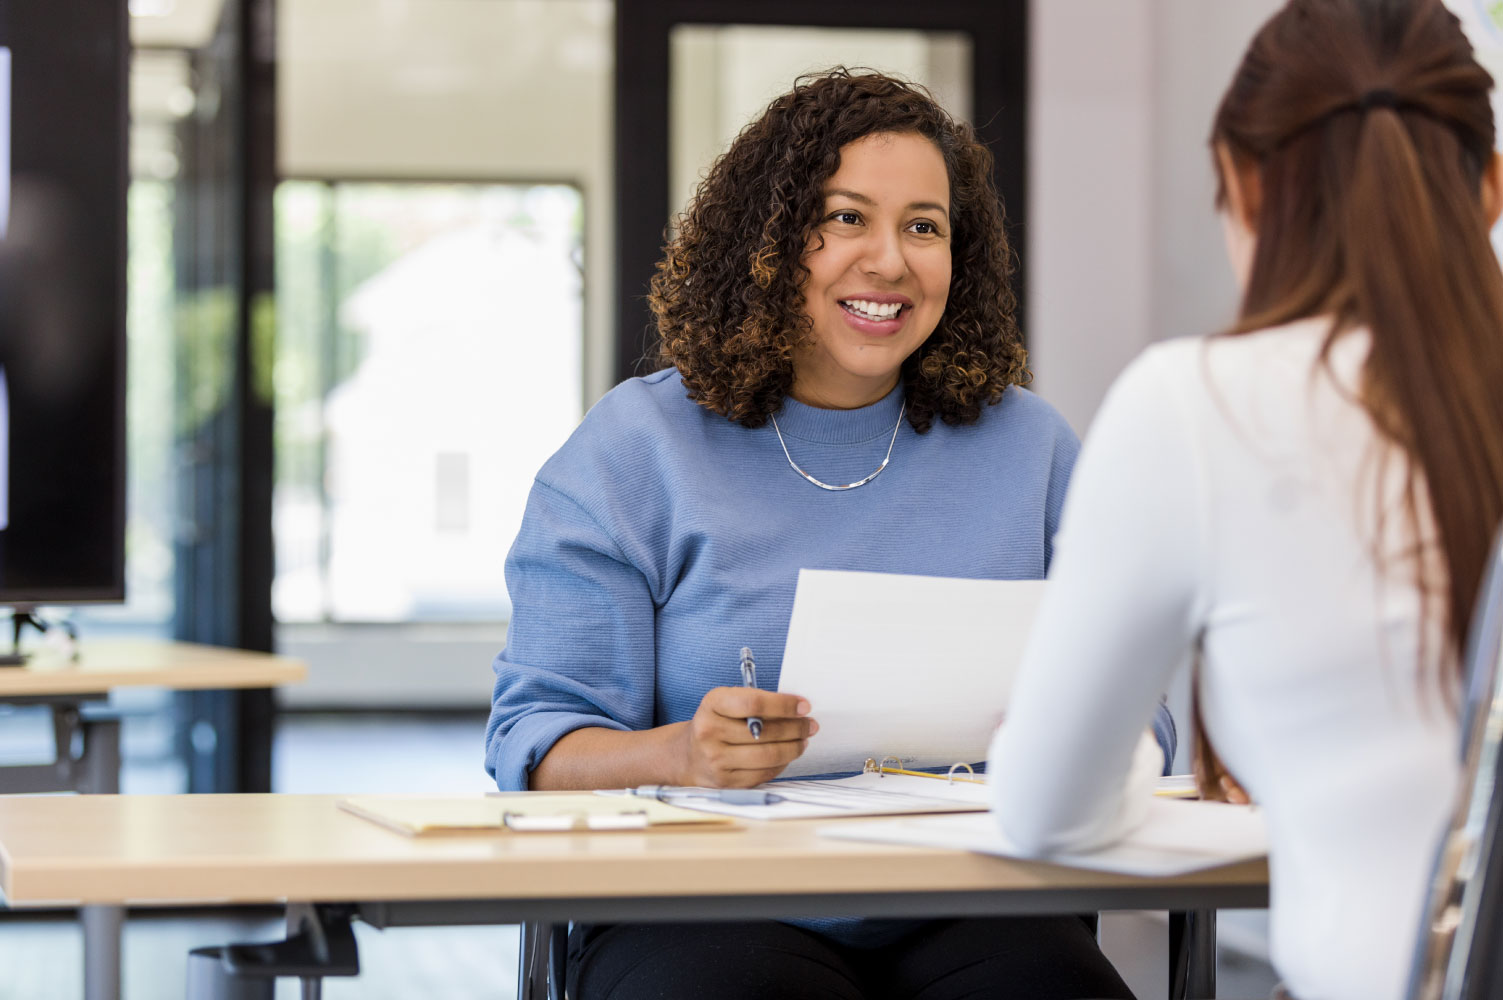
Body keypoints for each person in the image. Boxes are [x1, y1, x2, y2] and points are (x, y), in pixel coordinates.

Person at [486, 69, 1156, 1000]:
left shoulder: (1031, 449)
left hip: (978, 900)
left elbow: (1139, 714)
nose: (889, 261)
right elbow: (538, 740)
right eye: (846, 218)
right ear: (768, 241)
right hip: (705, 910)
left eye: (924, 226)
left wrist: (1078, 731)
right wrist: (682, 754)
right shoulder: (635, 450)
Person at [988, 2, 1503, 999]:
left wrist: (1135, 763)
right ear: (1490, 188)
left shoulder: (1196, 407)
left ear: (1243, 185)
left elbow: (1047, 807)